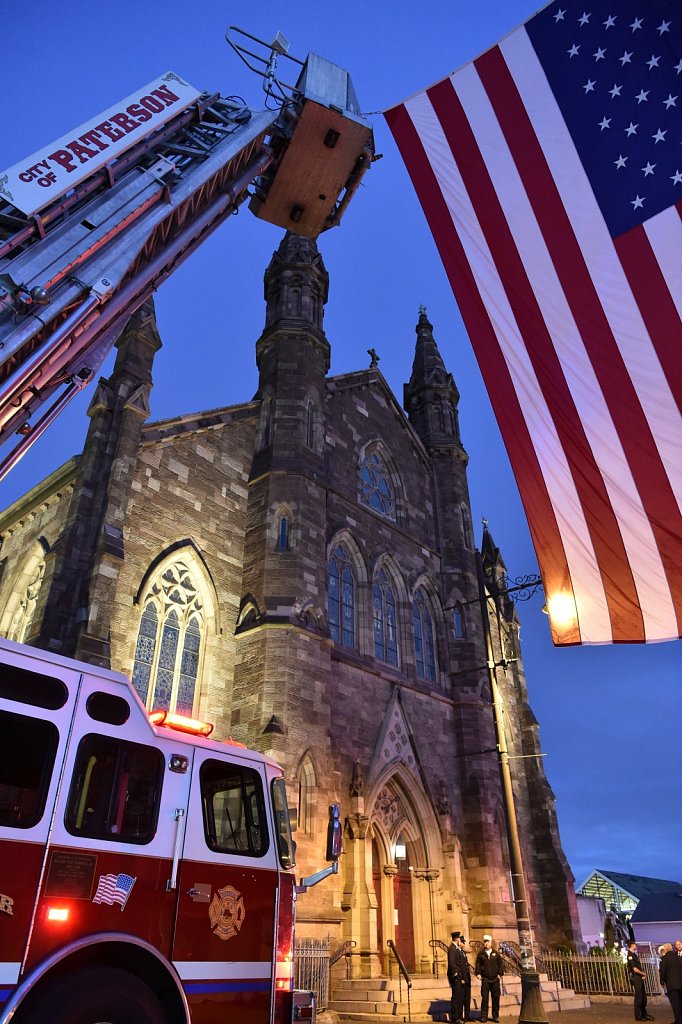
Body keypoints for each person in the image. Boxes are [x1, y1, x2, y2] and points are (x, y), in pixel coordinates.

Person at [475, 934, 504, 1024]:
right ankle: (484, 1016)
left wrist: (500, 974)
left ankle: (495, 1016)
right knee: (485, 998)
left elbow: (501, 964)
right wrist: (478, 973)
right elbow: (478, 964)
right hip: (485, 979)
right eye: (485, 942)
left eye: (488, 942)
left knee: (495, 998)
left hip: (495, 979)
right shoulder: (481, 954)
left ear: (491, 943)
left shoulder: (496, 953)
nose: (486, 943)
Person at [626, 939, 654, 1021]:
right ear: (631, 945)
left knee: (643, 997)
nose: (635, 945)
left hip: (639, 977)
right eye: (634, 944)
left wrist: (641, 975)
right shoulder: (630, 955)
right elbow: (634, 969)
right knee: (639, 997)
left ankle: (644, 1014)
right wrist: (643, 973)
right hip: (636, 977)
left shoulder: (634, 954)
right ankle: (638, 1016)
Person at [660, 939, 682, 1024]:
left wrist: (662, 982)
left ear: (665, 950)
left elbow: (663, 972)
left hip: (672, 986)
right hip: (681, 984)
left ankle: (678, 1021)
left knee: (675, 1004)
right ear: (672, 948)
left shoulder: (664, 959)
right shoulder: (678, 957)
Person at [448, 931, 466, 1023]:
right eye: (459, 938)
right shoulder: (452, 949)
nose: (460, 940)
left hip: (459, 977)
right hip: (455, 977)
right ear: (457, 939)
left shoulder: (456, 948)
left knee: (459, 997)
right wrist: (456, 975)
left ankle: (458, 1016)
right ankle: (455, 1017)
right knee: (456, 997)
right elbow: (452, 963)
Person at [458, 933, 473, 1021]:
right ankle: (461, 1016)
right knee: (461, 998)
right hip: (462, 979)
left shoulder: (463, 952)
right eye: (463, 942)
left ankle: (467, 1015)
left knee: (467, 998)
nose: (464, 943)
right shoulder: (457, 953)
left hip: (467, 978)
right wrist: (462, 978)